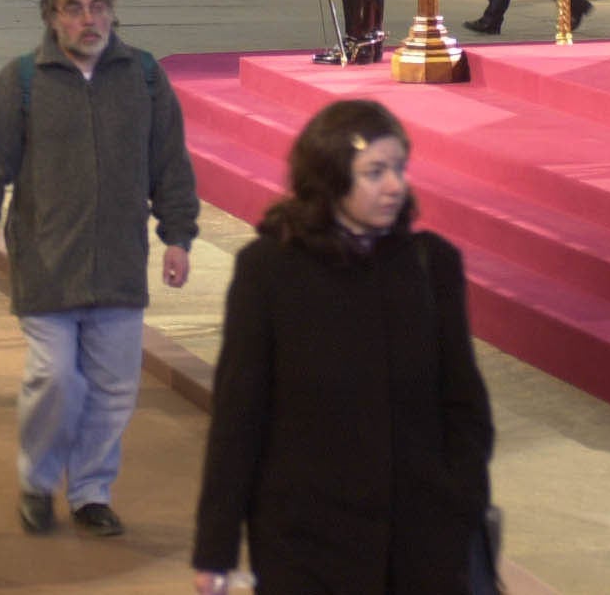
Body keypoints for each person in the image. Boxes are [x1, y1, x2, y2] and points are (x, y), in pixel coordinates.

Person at [192, 98, 493, 595]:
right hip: (305, 546)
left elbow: (465, 404)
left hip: (419, 545)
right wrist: (216, 549)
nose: (395, 185)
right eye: (375, 172)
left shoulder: (432, 265)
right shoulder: (269, 270)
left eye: (398, 168)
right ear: (330, 178)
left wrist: (456, 500)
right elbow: (238, 417)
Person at [0, 0, 198, 538]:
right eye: (74, 8)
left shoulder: (142, 77)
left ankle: (90, 490)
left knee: (115, 388)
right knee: (56, 379)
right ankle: (37, 481)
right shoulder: (24, 81)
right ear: (50, 16)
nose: (89, 19)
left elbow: (170, 164)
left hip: (118, 263)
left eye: (99, 6)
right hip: (47, 264)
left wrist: (178, 236)